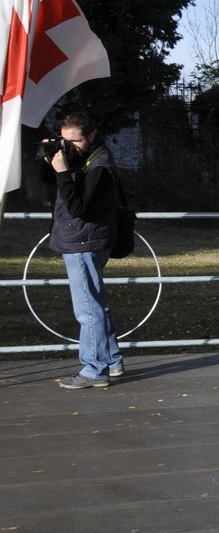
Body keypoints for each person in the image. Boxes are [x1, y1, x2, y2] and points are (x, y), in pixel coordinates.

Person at [41, 111, 125, 389]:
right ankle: (111, 361)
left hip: (84, 242)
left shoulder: (99, 166)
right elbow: (48, 181)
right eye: (64, 141)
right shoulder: (86, 157)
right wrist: (49, 159)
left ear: (91, 136)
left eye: (75, 141)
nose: (69, 147)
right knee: (97, 304)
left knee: (88, 309)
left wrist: (63, 171)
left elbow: (78, 208)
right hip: (83, 240)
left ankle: (94, 368)